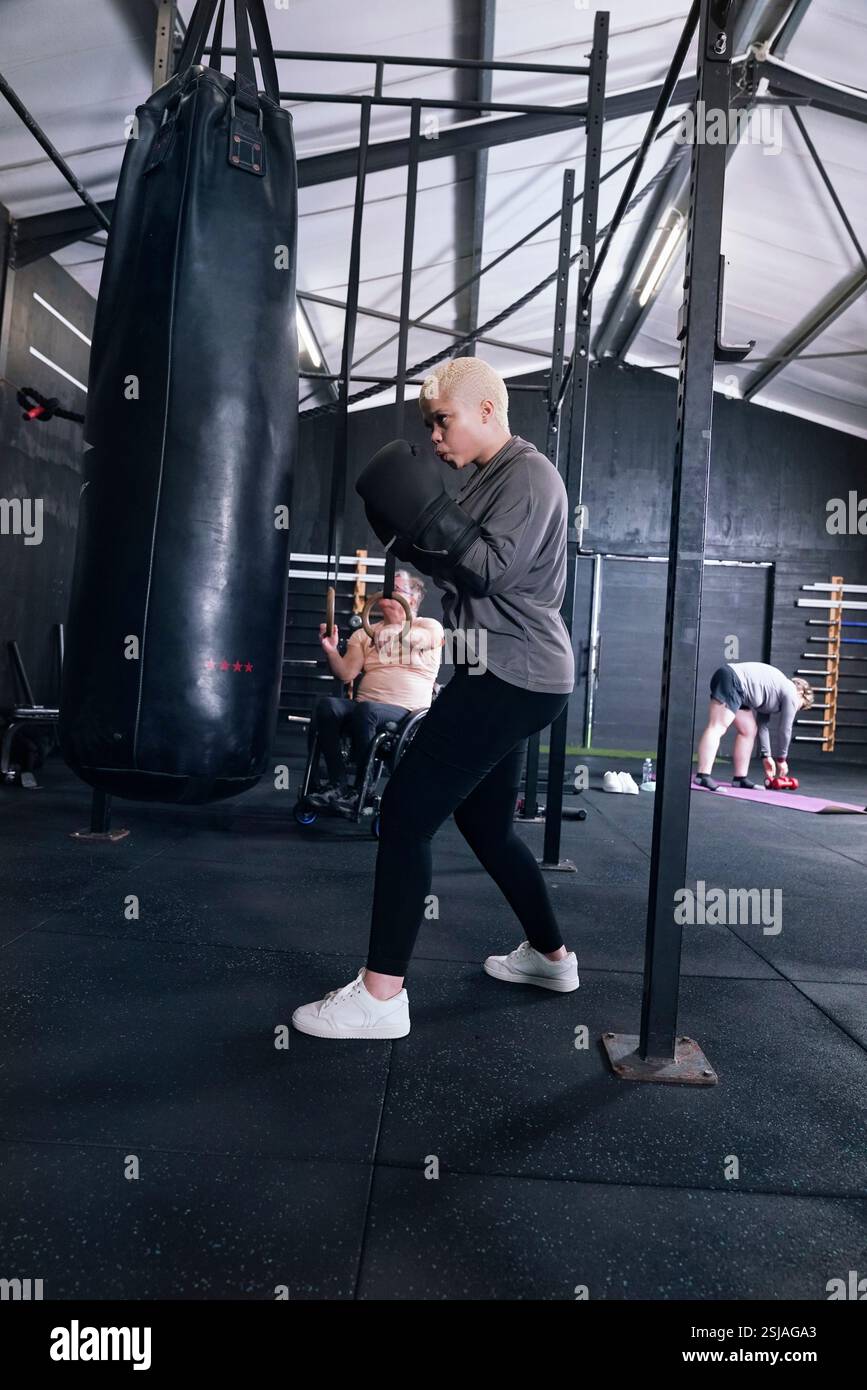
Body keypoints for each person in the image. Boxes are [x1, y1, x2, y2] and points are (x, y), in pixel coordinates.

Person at [292, 356, 578, 1040]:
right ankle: (550, 957)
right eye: (428, 424)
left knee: (404, 815)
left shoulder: (528, 475)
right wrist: (403, 531)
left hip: (515, 674)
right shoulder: (484, 480)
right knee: (485, 827)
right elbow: (452, 559)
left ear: (485, 411)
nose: (436, 436)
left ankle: (381, 996)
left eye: (442, 420)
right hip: (504, 673)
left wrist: (422, 518)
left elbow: (482, 571)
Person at [305, 571, 443, 816]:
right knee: (327, 706)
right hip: (365, 708)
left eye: (396, 588)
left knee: (366, 711)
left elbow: (424, 638)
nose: (387, 592)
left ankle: (363, 790)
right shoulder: (364, 633)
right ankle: (337, 783)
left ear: (412, 599)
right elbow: (346, 673)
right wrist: (331, 651)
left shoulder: (428, 626)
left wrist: (392, 632)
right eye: (385, 588)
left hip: (405, 713)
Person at [694, 661, 814, 791]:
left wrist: (766, 756)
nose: (796, 709)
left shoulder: (776, 693)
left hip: (739, 689)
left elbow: (762, 726)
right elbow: (785, 729)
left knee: (749, 730)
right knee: (717, 726)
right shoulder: (791, 693)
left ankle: (740, 778)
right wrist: (781, 760)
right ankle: (702, 776)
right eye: (801, 706)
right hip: (732, 679)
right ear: (801, 693)